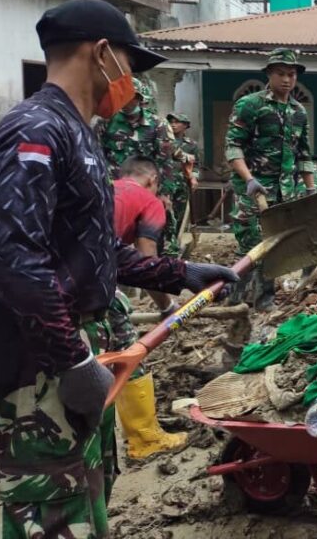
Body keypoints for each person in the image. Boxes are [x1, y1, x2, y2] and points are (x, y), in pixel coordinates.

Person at [0, 0, 238, 539]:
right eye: (130, 65)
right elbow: (17, 261)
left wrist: (181, 273)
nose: (132, 82)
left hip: (72, 343)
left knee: (87, 491)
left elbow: (96, 250)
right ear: (101, 54)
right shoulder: (35, 131)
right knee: (51, 508)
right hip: (37, 358)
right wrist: (72, 360)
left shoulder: (79, 133)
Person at [224, 48, 314, 310]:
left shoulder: (298, 111)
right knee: (250, 243)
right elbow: (233, 147)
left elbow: (303, 153)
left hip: (284, 191)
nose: (286, 79)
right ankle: (235, 299)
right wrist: (248, 179)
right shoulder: (250, 105)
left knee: (273, 246)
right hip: (253, 189)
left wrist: (311, 189)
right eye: (280, 74)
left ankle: (264, 300)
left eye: (291, 74)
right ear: (269, 74)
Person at [111, 156, 188, 459]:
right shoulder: (148, 200)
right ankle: (144, 439)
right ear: (153, 180)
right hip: (91, 281)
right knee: (127, 350)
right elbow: (148, 264)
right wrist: (168, 307)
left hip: (54, 281)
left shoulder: (104, 189)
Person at [98, 77, 187, 256]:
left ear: (139, 98)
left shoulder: (157, 124)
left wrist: (165, 193)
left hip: (147, 189)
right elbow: (97, 155)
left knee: (155, 232)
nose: (125, 101)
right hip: (115, 188)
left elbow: (165, 161)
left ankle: (158, 263)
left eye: (129, 96)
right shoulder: (107, 122)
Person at [166, 111, 199, 253]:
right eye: (171, 122)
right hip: (165, 184)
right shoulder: (163, 140)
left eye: (177, 122)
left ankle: (175, 242)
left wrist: (194, 177)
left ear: (185, 125)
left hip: (182, 184)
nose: (173, 125)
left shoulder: (191, 145)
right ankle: (166, 243)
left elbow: (196, 165)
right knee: (165, 214)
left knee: (179, 214)